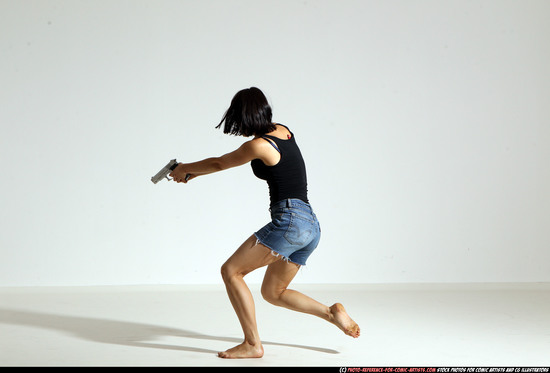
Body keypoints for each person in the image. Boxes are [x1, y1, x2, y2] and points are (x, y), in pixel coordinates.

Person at [169, 87, 360, 359]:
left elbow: (221, 163)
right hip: (310, 226)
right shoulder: (283, 131)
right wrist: (192, 174)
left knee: (231, 271)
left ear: (242, 117)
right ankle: (332, 313)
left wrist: (185, 167)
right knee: (273, 292)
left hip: (290, 221)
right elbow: (223, 164)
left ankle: (251, 344)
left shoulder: (257, 145)